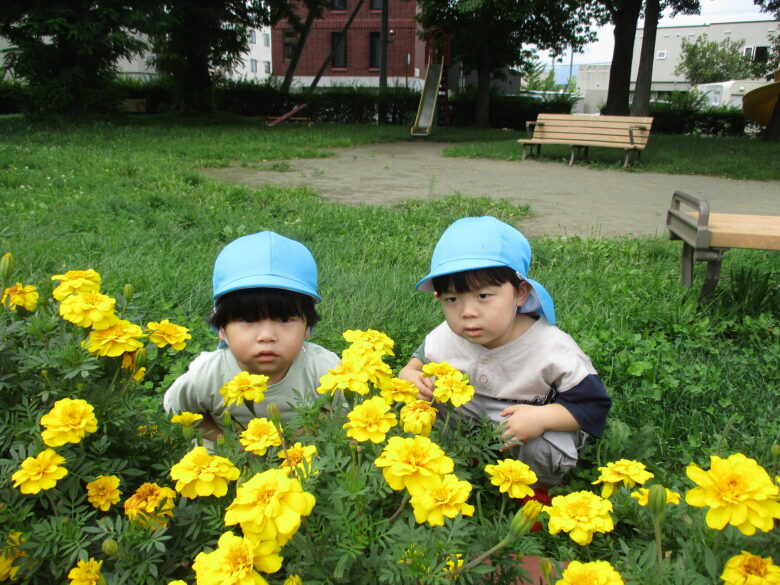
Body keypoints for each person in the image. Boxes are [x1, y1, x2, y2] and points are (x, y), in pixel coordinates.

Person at [399, 216, 611, 486]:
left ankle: (537, 488)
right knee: (420, 410)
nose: (467, 313)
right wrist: (409, 374)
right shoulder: (447, 334)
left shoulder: (553, 349)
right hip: (470, 418)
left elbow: (593, 406)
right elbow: (420, 359)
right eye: (453, 299)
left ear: (520, 293)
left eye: (483, 296)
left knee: (543, 445)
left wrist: (543, 418)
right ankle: (462, 459)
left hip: (527, 424)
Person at [163, 231, 340, 439]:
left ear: (308, 327)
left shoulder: (325, 369)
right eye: (248, 320)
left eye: (284, 320)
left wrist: (293, 443)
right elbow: (179, 412)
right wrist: (230, 445)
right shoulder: (206, 375)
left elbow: (338, 410)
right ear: (221, 328)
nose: (266, 336)